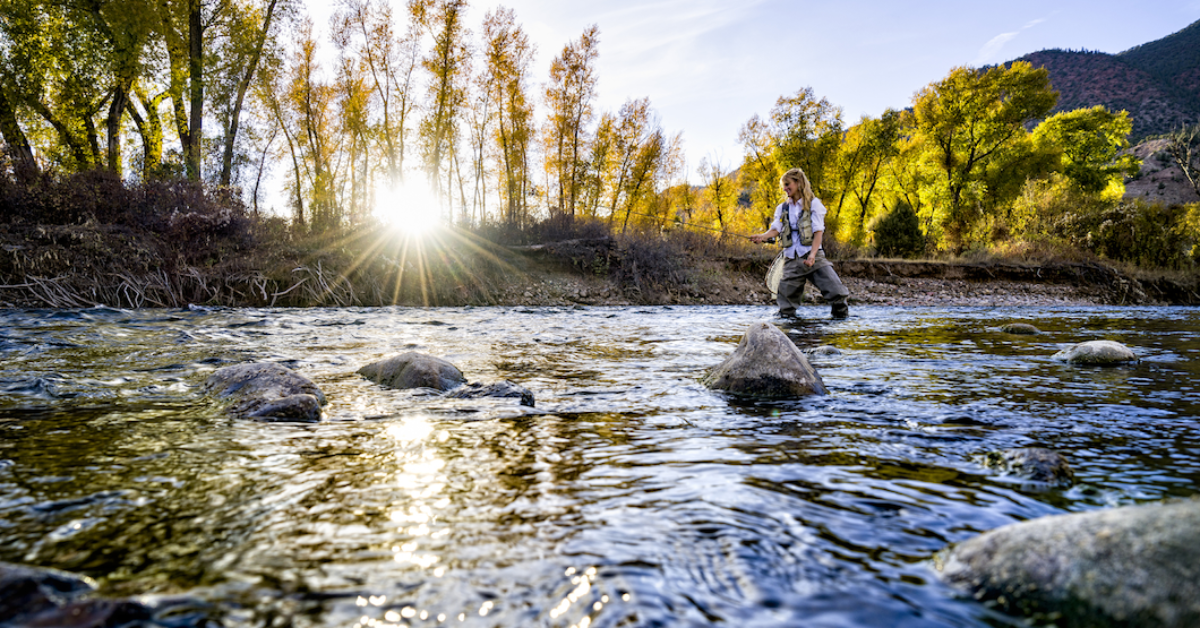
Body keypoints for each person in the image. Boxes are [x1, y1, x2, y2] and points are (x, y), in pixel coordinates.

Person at [750, 167, 850, 319]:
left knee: (837, 293)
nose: (785, 188)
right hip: (791, 259)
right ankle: (792, 333)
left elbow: (818, 232)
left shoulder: (814, 204)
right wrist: (761, 236)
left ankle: (840, 323)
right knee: (785, 307)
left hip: (814, 257)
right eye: (783, 185)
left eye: (787, 184)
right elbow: (776, 229)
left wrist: (812, 255)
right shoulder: (782, 208)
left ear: (798, 183)